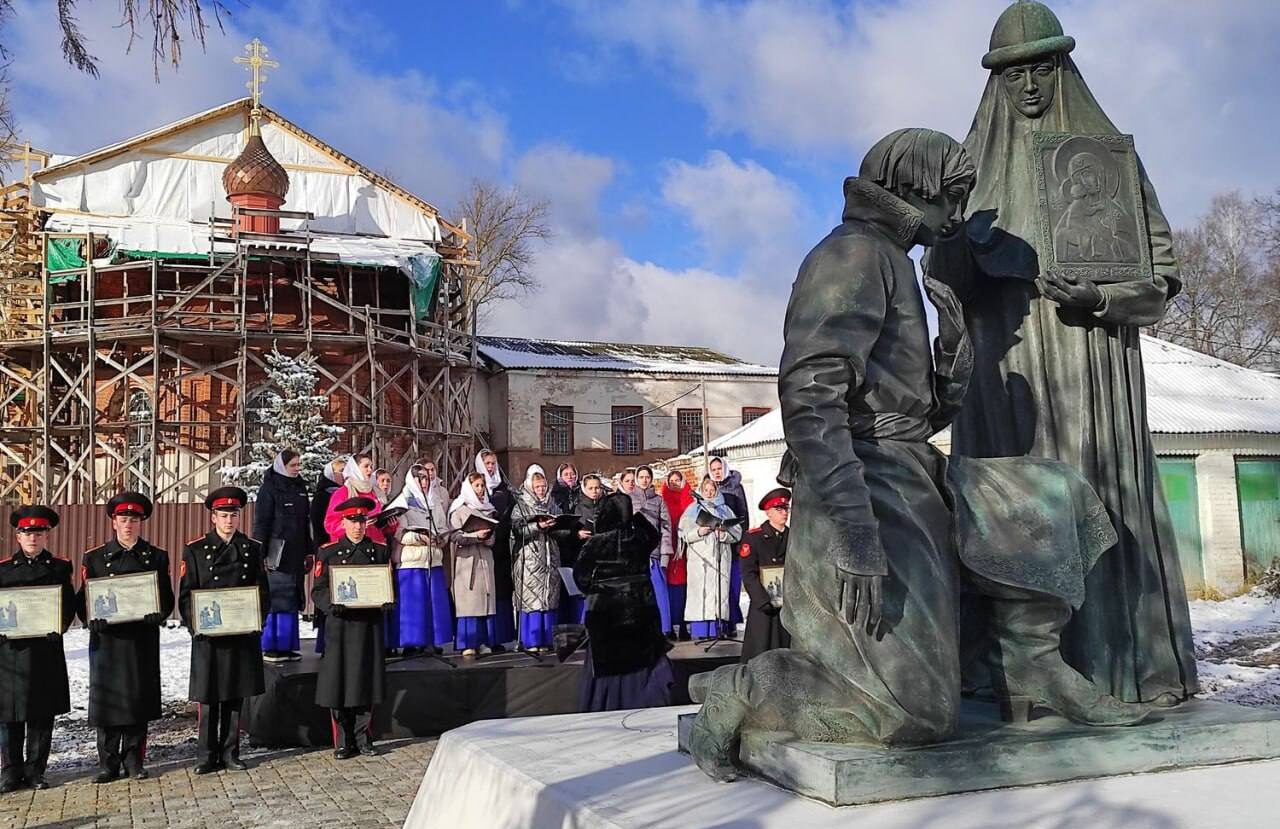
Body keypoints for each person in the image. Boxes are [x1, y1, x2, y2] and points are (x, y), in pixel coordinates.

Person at [686, 128, 1144, 783]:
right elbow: (811, 397)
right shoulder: (852, 257)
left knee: (1055, 493)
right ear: (911, 189)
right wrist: (855, 524)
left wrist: (951, 354)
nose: (956, 216)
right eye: (950, 198)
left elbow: (915, 417)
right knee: (914, 716)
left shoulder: (893, 261)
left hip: (910, 468)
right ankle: (748, 686)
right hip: (864, 485)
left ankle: (1031, 661)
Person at [925, 0, 1196, 706]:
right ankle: (1008, 675)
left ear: (1063, 70)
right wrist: (954, 239)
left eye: (1041, 69)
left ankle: (1119, 662)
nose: (1030, 87)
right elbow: (943, 283)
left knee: (1104, 495)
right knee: (1006, 516)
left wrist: (1103, 300)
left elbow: (1161, 278)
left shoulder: (1109, 167)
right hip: (1004, 372)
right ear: (996, 85)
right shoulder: (971, 178)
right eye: (1013, 75)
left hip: (1092, 367)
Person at [77, 492, 175, 783]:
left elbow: (166, 595)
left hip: (140, 639)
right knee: (108, 702)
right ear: (113, 522)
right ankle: (108, 763)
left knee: (137, 698)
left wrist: (160, 612)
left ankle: (134, 760)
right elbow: (83, 599)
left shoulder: (155, 556)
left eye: (134, 519)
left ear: (141, 522)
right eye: (123, 519)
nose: (128, 524)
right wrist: (89, 619)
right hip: (107, 641)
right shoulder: (94, 558)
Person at [179, 487, 270, 774]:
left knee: (235, 694)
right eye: (223, 515)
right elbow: (186, 594)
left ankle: (231, 752)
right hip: (210, 635)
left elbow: (262, 591)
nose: (229, 520)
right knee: (209, 697)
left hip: (241, 633)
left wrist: (258, 619)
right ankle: (205, 755)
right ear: (213, 517)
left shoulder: (251, 548)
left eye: (233, 515)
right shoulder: (195, 549)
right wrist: (196, 625)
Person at [575, 492, 675, 712]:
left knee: (609, 665)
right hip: (640, 611)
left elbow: (581, 580)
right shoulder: (638, 539)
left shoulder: (594, 544)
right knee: (640, 662)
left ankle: (605, 706)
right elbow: (653, 535)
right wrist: (635, 518)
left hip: (606, 614)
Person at [0, 507, 75, 792]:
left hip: (45, 649)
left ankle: (35, 770)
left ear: (47, 536)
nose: (33, 538)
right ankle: (9, 771)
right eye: (27, 533)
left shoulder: (59, 567)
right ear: (18, 536)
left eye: (39, 533)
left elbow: (67, 603)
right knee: (9, 715)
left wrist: (61, 625)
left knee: (42, 714)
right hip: (10, 653)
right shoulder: (3, 569)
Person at [311, 496, 391, 759]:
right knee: (340, 683)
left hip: (368, 627)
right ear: (343, 522)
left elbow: (389, 583)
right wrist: (330, 604)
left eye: (361, 520)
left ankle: (363, 737)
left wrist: (389, 600)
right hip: (341, 626)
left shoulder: (378, 550)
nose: (357, 526)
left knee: (365, 683)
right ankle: (344, 740)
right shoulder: (329, 552)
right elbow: (318, 590)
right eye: (352, 520)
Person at [254, 450, 312, 663]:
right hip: (276, 552)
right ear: (282, 465)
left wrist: (309, 550)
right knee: (277, 597)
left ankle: (287, 645)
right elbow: (262, 523)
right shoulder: (269, 488)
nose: (298, 468)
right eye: (293, 465)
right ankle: (271, 645)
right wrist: (260, 553)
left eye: (299, 464)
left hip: (296, 551)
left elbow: (305, 521)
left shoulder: (300, 487)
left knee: (293, 598)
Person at [389, 463, 453, 654]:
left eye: (427, 478)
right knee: (414, 605)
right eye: (420, 478)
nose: (425, 482)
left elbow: (443, 527)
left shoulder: (434, 501)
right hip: (412, 561)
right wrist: (419, 537)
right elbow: (399, 533)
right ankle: (411, 642)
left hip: (433, 558)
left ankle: (431, 640)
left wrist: (441, 538)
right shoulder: (403, 501)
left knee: (433, 603)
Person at [510, 465, 569, 653]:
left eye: (543, 486)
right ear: (529, 486)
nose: (541, 490)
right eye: (537, 487)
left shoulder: (552, 504)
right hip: (530, 558)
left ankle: (548, 639)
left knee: (549, 597)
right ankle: (531, 639)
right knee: (532, 599)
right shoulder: (521, 505)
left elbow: (563, 530)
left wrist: (558, 526)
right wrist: (537, 526)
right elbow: (517, 530)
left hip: (550, 556)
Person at [678, 477, 742, 639]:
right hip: (699, 560)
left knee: (718, 594)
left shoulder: (726, 510)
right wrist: (699, 532)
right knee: (700, 593)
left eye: (712, 490)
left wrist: (724, 535)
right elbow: (683, 534)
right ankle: (699, 631)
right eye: (706, 490)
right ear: (701, 490)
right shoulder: (692, 509)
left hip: (720, 557)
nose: (709, 493)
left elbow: (737, 533)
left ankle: (716, 630)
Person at [449, 472, 499, 656]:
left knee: (485, 601)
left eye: (482, 486)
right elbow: (454, 536)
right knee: (469, 603)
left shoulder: (488, 508)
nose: (480, 489)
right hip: (467, 560)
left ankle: (484, 641)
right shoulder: (459, 509)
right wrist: (474, 536)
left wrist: (487, 538)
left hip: (485, 558)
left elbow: (493, 536)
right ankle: (467, 642)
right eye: (477, 486)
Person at [740, 488, 792, 662]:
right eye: (779, 509)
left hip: (788, 604)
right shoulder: (754, 538)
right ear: (768, 512)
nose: (784, 513)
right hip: (764, 605)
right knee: (761, 652)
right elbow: (748, 573)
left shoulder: (793, 537)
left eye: (786, 508)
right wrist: (762, 600)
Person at [476, 451, 516, 649]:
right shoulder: (474, 486)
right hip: (482, 547)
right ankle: (484, 638)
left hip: (501, 548)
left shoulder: (503, 488)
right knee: (484, 594)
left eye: (493, 463)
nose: (491, 467)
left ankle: (499, 637)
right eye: (487, 463)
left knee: (501, 592)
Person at [630, 466, 674, 636]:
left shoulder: (659, 500)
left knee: (659, 592)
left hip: (654, 554)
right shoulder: (628, 499)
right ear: (636, 479)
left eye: (647, 477)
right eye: (641, 477)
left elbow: (666, 528)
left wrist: (664, 555)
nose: (644, 480)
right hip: (635, 554)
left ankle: (664, 629)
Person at [708, 457, 748, 632]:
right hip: (712, 544)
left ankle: (730, 621)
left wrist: (741, 539)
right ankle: (715, 623)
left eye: (719, 468)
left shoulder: (735, 488)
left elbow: (743, 514)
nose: (717, 472)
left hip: (732, 542)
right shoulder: (707, 487)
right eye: (713, 469)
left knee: (731, 583)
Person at [324, 455, 391, 545]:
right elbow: (331, 525)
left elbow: (378, 525)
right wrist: (358, 525)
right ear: (355, 469)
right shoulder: (343, 493)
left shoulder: (375, 492)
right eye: (366, 466)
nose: (370, 470)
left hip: (375, 545)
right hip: (350, 549)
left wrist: (391, 525)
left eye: (371, 467)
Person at [661, 470, 695, 641]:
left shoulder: (689, 499)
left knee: (684, 588)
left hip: (686, 548)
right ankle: (670, 626)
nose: (674, 483)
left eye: (677, 480)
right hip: (668, 547)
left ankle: (684, 625)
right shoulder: (662, 499)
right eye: (671, 480)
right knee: (668, 589)